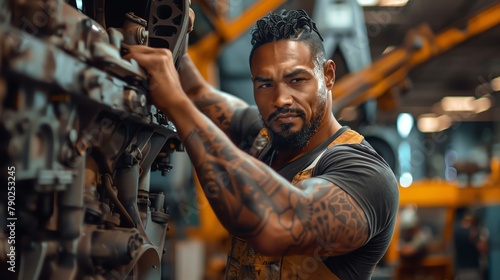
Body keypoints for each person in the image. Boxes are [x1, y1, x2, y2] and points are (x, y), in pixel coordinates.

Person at [125, 8, 399, 280]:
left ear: (328, 75)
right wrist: (173, 30)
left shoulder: (364, 173)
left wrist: (176, 104)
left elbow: (276, 226)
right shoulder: (264, 139)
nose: (281, 99)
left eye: (296, 80)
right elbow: (197, 92)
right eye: (265, 85)